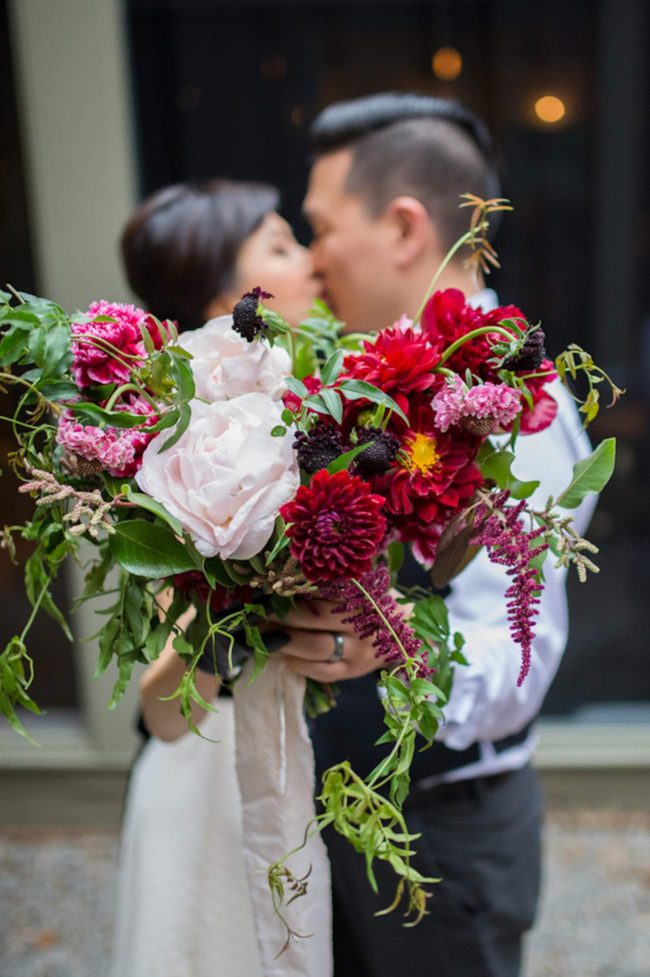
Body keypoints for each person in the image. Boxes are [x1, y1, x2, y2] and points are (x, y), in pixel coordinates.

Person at [266, 93, 597, 977]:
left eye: (322, 227)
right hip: (332, 802)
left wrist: (399, 647)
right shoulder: (352, 376)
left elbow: (514, 656)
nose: (309, 257)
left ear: (405, 226)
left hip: (440, 833)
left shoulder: (517, 406)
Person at [109, 178, 320, 977]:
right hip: (214, 783)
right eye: (279, 245)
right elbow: (163, 708)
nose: (308, 259)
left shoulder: (322, 402)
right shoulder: (176, 439)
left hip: (293, 758)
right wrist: (223, 582)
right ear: (230, 294)